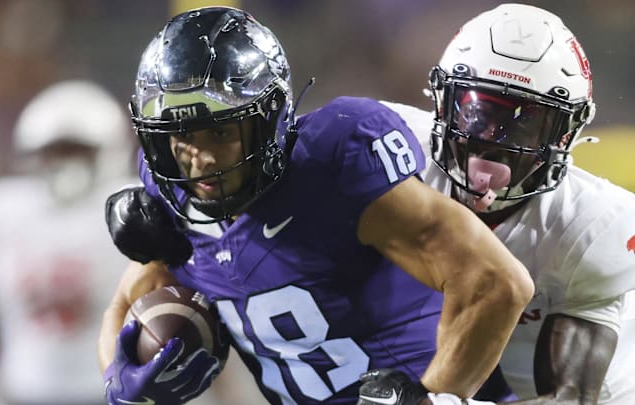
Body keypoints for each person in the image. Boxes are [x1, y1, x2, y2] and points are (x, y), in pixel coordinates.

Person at [98, 6, 534, 405]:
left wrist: (436, 397)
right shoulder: (174, 190)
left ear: (268, 121)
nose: (202, 158)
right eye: (183, 136)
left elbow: (498, 283)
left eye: (220, 133)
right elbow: (126, 301)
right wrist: (119, 379)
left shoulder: (334, 164)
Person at [365, 3, 635, 404]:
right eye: (478, 111)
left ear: (565, 135)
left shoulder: (593, 226)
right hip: (445, 368)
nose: (494, 140)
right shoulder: (387, 149)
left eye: (526, 123)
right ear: (442, 104)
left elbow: (572, 398)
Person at [0, 80, 134, 405]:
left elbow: (184, 318)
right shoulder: (0, 214)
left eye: (77, 151)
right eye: (55, 152)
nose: (65, 164)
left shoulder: (137, 211)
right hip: (23, 393)